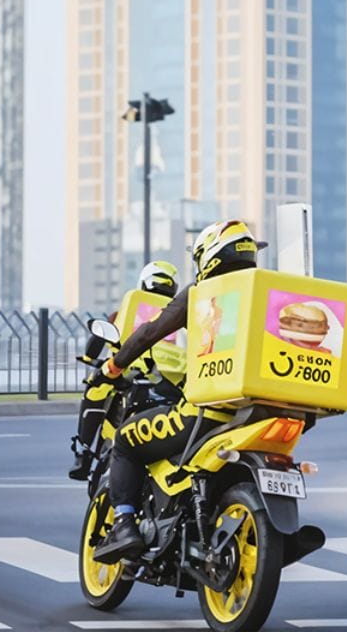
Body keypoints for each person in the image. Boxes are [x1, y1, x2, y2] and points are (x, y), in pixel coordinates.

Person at [92, 220, 263, 564]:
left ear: (208, 256)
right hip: (258, 415)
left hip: (203, 414)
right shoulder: (264, 295)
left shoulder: (202, 294)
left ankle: (124, 524)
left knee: (125, 441)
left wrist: (113, 366)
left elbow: (148, 333)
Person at [69, 260, 180, 480]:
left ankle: (83, 452)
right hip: (171, 382)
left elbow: (96, 342)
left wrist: (92, 358)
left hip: (128, 373)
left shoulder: (124, 313)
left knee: (96, 385)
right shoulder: (179, 315)